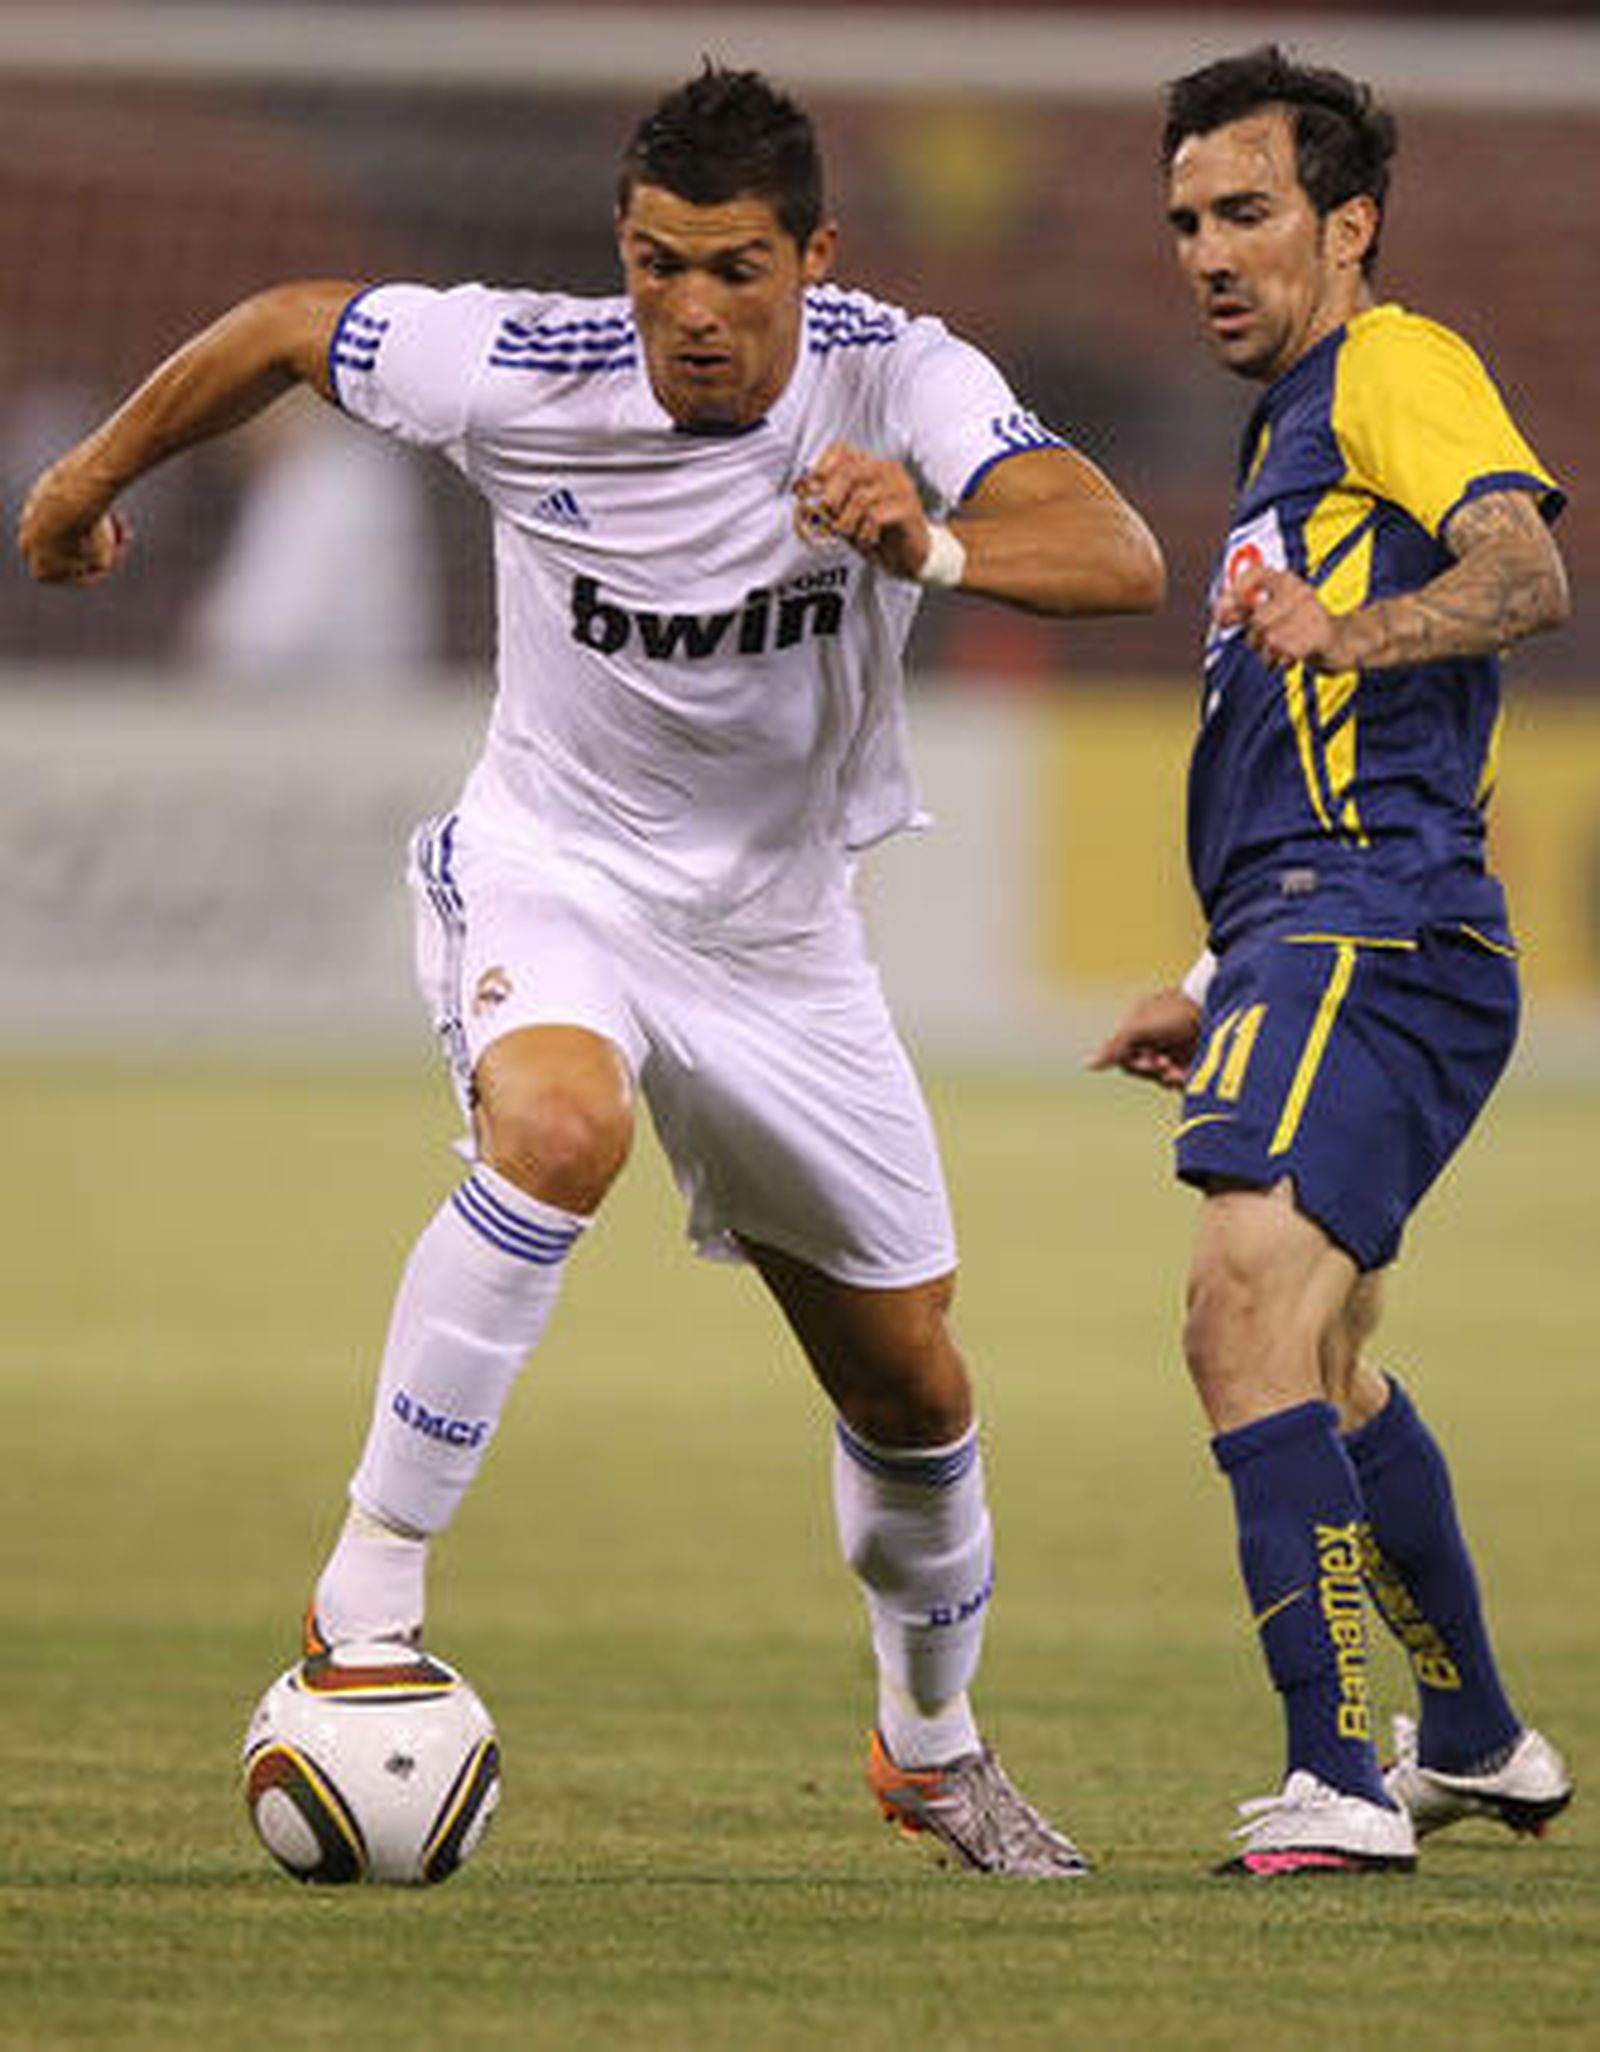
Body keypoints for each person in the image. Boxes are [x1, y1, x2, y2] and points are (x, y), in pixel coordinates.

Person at [20, 66, 1164, 1877]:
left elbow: (1119, 550)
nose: (690, 314)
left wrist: (927, 540)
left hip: (785, 945)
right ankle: (364, 1602)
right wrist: (87, 478)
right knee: (559, 1132)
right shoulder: (522, 364)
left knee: (915, 1393)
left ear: (813, 257)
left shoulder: (903, 374)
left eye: (731, 270)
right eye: (654, 266)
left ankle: (931, 1749)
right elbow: (284, 330)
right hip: (555, 873)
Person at [1093, 45, 1573, 1876]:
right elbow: (1307, 761)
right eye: (1187, 223)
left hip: (1380, 930)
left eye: (1248, 214)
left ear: (1347, 224)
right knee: (1328, 1355)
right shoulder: (1290, 420)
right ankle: (1473, 1738)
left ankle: (1339, 1780)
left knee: (1239, 1311)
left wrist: (1351, 629)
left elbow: (1524, 575)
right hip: (1326, 935)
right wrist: (1215, 978)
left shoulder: (1394, 365)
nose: (1208, 252)